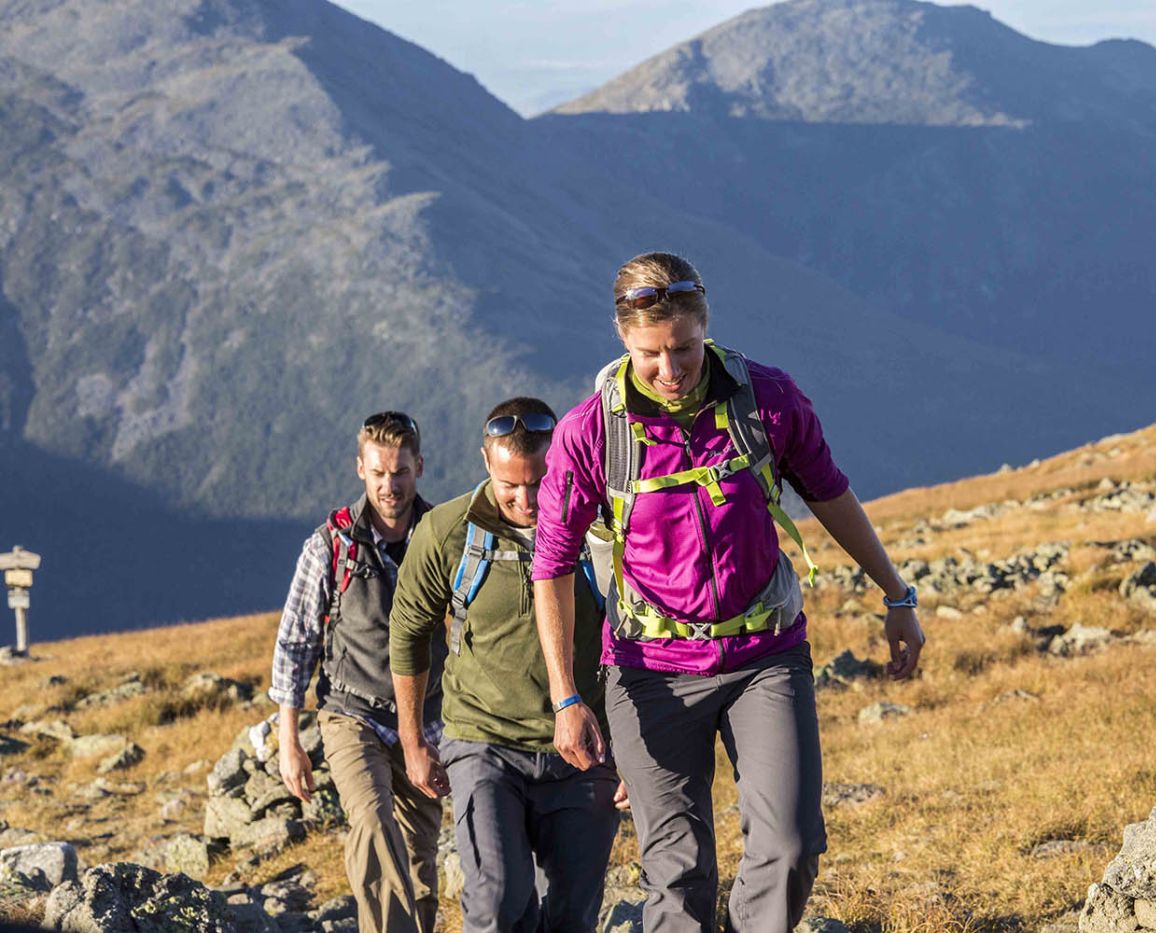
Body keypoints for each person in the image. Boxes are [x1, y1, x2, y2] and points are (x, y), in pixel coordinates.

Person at [532, 252, 926, 931]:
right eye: (651, 353)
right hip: (649, 672)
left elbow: (828, 492)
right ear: (623, 340)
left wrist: (896, 595)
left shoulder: (766, 398)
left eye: (684, 347)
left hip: (765, 656)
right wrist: (567, 694)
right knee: (677, 874)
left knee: (792, 846)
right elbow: (552, 564)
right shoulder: (591, 432)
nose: (671, 368)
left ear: (705, 327)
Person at [389, 397, 623, 933]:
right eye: (508, 484)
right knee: (496, 902)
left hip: (585, 751)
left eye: (539, 482)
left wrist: (631, 750)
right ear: (485, 463)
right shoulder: (448, 534)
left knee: (571, 916)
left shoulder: (601, 530)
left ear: (561, 460)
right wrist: (412, 741)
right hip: (483, 743)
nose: (525, 499)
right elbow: (408, 635)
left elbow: (636, 636)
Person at [268, 411, 446, 933]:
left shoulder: (443, 540)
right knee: (371, 823)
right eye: (378, 473)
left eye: (401, 472)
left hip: (428, 723)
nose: (390, 486)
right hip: (352, 715)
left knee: (419, 861)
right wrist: (288, 740)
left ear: (419, 466)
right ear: (360, 470)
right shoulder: (330, 545)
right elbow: (295, 642)